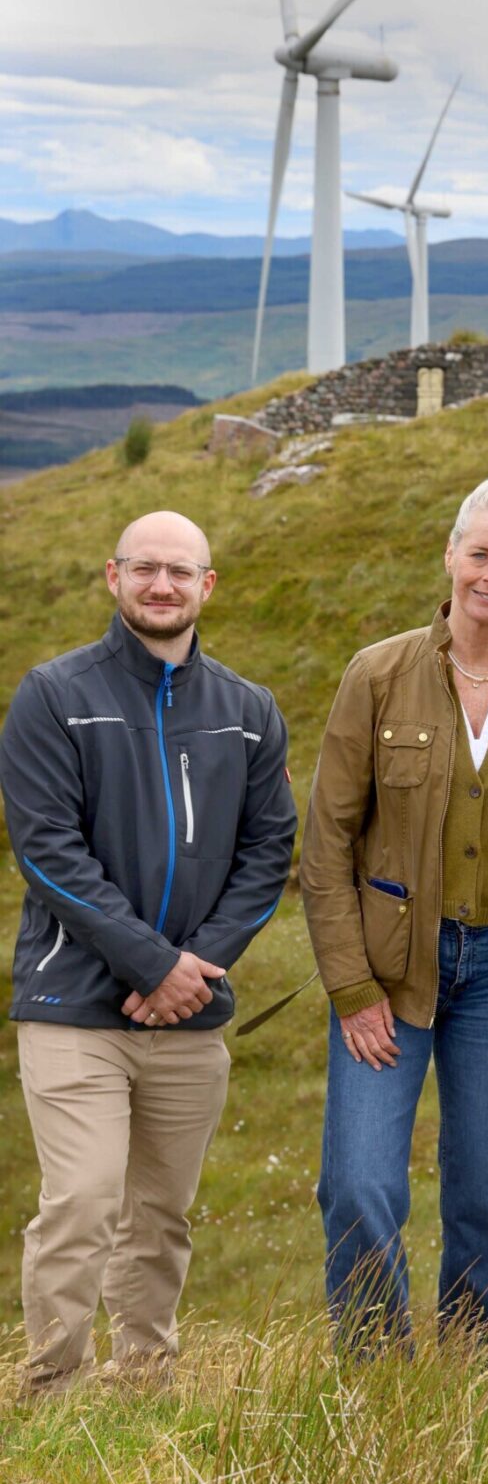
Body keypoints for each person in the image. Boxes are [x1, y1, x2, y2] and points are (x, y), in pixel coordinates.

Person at [300, 473, 488, 1346]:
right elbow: (326, 847)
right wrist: (351, 986)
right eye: (480, 553)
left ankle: (482, 1373)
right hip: (392, 972)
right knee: (358, 1182)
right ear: (451, 555)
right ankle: (377, 1364)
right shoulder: (379, 674)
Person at [0, 511, 296, 1397]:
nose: (161, 584)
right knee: (84, 1202)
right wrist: (150, 966)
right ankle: (49, 1389)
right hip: (71, 1008)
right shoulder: (53, 695)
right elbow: (48, 850)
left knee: (160, 1215)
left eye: (180, 570)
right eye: (144, 569)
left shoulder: (248, 713)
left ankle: (142, 1385)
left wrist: (192, 968)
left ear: (208, 585)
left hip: (188, 1017)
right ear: (113, 577)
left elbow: (267, 850)